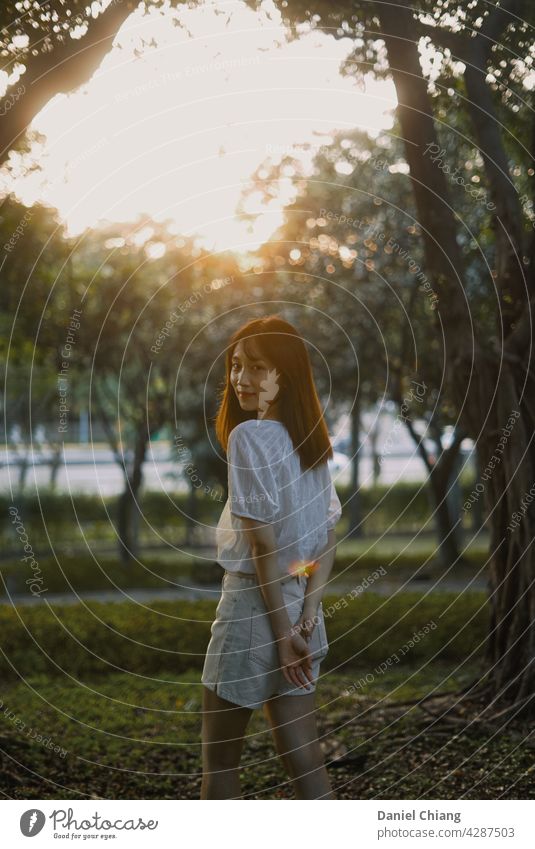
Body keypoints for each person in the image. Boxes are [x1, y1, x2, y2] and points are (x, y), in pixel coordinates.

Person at [200, 314, 342, 800]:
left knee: (220, 765)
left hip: (253, 614)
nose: (242, 379)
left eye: (258, 367)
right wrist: (306, 620)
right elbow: (326, 543)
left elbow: (264, 546)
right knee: (306, 762)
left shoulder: (249, 437)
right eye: (237, 366)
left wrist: (282, 637)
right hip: (303, 615)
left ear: (286, 374)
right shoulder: (314, 445)